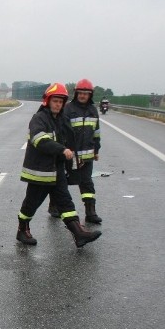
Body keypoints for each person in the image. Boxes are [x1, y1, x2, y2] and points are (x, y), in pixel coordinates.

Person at [17, 83, 101, 248]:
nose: (58, 104)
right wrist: (61, 150)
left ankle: (79, 234)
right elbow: (39, 140)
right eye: (55, 101)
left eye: (61, 102)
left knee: (65, 202)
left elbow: (70, 142)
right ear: (48, 101)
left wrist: (75, 162)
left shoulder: (62, 120)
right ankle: (22, 230)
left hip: (57, 172)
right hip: (40, 173)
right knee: (31, 204)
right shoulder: (39, 119)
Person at [63, 78, 103, 223]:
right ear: (76, 94)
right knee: (63, 182)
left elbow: (96, 133)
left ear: (90, 95)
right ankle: (54, 205)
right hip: (70, 155)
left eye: (85, 93)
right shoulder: (68, 109)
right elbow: (64, 131)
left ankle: (90, 213)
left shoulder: (93, 110)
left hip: (87, 156)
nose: (82, 96)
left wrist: (96, 150)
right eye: (80, 93)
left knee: (87, 183)